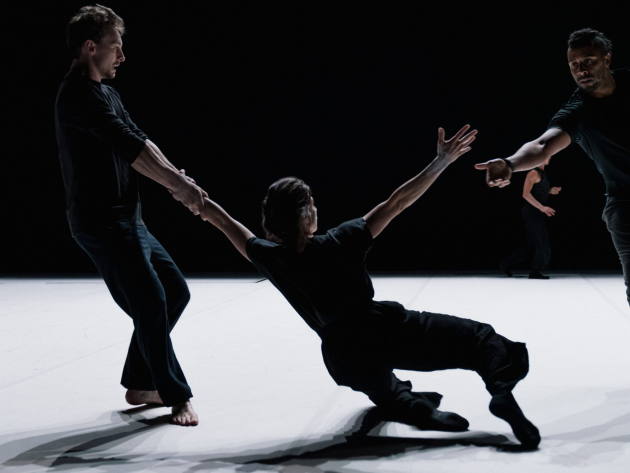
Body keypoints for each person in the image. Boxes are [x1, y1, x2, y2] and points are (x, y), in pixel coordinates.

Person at [196, 125, 541, 449]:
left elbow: (221, 219)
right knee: (480, 339)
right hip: (385, 332)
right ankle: (500, 393)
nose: (316, 208)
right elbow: (397, 202)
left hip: (344, 357)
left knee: (388, 392)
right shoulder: (341, 241)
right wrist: (441, 161)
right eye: (311, 204)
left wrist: (187, 193)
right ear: (305, 217)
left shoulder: (270, 257)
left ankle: (412, 407)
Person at [54, 5, 205, 426]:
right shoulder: (78, 97)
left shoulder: (107, 92)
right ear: (90, 48)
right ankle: (177, 395)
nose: (121, 57)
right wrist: (179, 187)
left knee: (174, 292)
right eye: (115, 48)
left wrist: (178, 177)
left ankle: (140, 381)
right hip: (102, 224)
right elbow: (131, 150)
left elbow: (142, 139)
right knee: (151, 302)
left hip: (128, 217)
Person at [475, 28, 630, 303]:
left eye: (589, 61)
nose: (581, 70)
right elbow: (543, 145)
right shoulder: (578, 111)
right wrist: (510, 163)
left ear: (607, 60)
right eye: (574, 65)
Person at [500, 158, 562, 279]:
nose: (549, 156)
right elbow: (526, 194)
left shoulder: (542, 173)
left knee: (531, 245)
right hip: (532, 212)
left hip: (537, 212)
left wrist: (550, 191)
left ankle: (506, 264)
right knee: (541, 243)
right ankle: (535, 271)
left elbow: (537, 190)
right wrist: (542, 207)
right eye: (547, 155)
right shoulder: (533, 173)